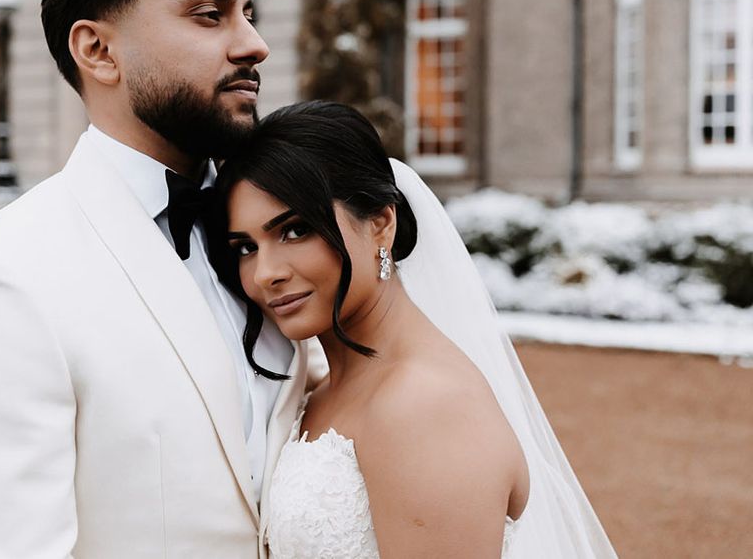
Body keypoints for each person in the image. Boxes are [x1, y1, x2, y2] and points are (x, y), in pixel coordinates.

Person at [0, 0, 309, 558]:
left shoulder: (290, 240)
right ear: (98, 50)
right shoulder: (11, 272)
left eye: (249, 13)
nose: (254, 44)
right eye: (209, 14)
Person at [214, 100, 619, 558]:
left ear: (381, 224)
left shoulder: (425, 405)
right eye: (245, 247)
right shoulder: (327, 387)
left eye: (294, 230)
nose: (265, 273)